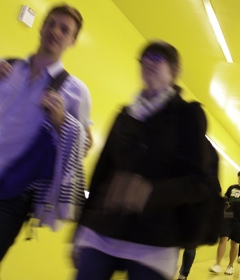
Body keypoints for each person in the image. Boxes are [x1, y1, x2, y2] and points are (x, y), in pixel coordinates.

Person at [0, 4, 92, 280]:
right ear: (41, 27)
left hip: (14, 193)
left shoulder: (75, 90)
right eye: (51, 23)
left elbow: (84, 146)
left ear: (73, 41)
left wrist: (62, 120)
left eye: (65, 29)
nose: (55, 31)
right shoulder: (5, 68)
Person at [74, 40, 222, 280]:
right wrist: (79, 229)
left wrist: (149, 192)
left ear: (174, 71)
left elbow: (201, 182)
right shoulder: (124, 115)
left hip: (155, 237)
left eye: (157, 58)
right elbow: (101, 172)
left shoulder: (188, 115)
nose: (149, 63)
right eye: (144, 59)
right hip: (103, 228)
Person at [210, 169, 240, 275]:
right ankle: (217, 264)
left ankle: (230, 266)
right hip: (228, 218)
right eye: (239, 178)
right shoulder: (232, 188)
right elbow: (224, 200)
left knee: (234, 244)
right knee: (223, 240)